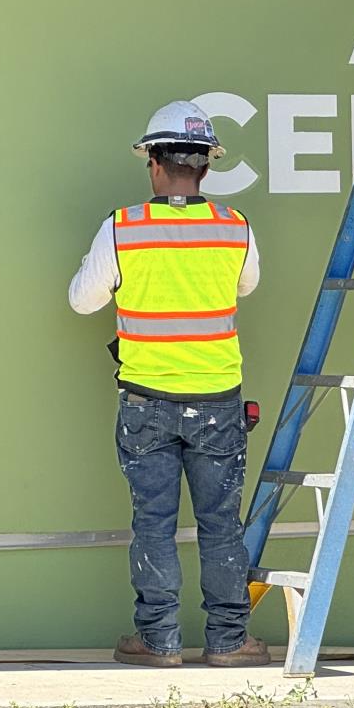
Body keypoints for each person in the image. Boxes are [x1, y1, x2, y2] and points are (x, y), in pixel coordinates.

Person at [67, 101, 271, 668]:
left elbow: (82, 302)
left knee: (153, 521)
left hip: (146, 401)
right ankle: (230, 640)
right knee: (220, 522)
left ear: (154, 164)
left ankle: (158, 641)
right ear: (205, 166)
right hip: (217, 402)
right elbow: (247, 287)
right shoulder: (235, 229)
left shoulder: (124, 227)